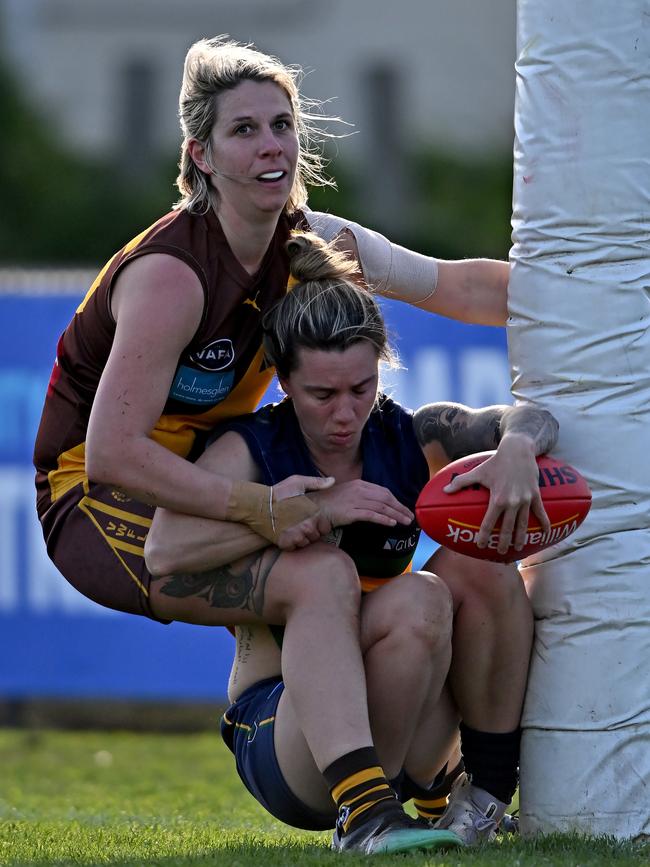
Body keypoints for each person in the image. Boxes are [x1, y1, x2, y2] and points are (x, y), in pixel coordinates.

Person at [31, 34, 511, 854]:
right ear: (201, 157)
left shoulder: (311, 240)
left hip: (194, 478)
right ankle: (366, 812)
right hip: (94, 497)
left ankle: (424, 783)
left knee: (394, 595)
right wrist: (267, 503)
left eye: (282, 125)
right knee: (318, 568)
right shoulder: (172, 277)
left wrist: (600, 296)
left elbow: (460, 286)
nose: (270, 145)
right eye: (244, 130)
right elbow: (111, 453)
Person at [144, 231, 560, 850]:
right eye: (322, 395)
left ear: (380, 366)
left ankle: (482, 804)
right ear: (283, 382)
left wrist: (519, 447)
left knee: (479, 566)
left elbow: (521, 417)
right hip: (287, 739)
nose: (345, 413)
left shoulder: (410, 435)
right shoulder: (251, 449)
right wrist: (305, 508)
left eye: (361, 389)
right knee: (371, 585)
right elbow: (162, 554)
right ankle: (363, 816)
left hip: (398, 710)